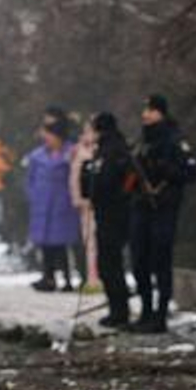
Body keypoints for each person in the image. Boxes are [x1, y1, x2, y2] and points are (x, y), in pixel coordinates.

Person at [128, 94, 196, 333]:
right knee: (139, 261)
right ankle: (146, 312)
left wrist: (162, 168)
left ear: (161, 112)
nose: (145, 114)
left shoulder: (174, 140)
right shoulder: (142, 140)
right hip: (141, 205)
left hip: (164, 207)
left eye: (150, 110)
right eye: (145, 110)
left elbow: (190, 174)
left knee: (161, 260)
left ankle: (160, 316)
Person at [81, 112, 133, 327]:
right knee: (107, 263)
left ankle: (119, 311)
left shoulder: (112, 151)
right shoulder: (105, 149)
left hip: (113, 213)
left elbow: (109, 181)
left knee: (110, 263)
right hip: (106, 212)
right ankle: (116, 308)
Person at [26, 118, 81, 291]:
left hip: (63, 203)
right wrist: (33, 195)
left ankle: (67, 278)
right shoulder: (37, 156)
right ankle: (48, 277)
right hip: (42, 204)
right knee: (45, 244)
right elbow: (30, 179)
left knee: (62, 243)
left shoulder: (70, 153)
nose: (46, 139)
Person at [69, 117, 99, 290]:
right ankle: (91, 278)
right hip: (84, 204)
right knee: (88, 242)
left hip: (99, 203)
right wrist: (77, 198)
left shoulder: (99, 150)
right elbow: (74, 177)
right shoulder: (78, 150)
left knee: (97, 242)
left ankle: (96, 278)